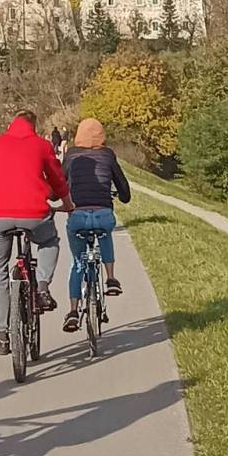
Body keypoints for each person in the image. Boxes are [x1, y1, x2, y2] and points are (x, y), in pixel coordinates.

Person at [0, 111, 74, 354]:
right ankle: (41, 287)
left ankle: (2, 335)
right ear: (34, 126)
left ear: (12, 124)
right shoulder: (42, 146)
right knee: (49, 241)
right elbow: (57, 179)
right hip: (34, 215)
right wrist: (67, 203)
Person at [61, 118, 131, 332]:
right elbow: (123, 188)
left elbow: (59, 184)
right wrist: (122, 196)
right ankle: (111, 278)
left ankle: (73, 312)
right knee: (105, 233)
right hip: (103, 214)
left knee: (78, 263)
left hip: (78, 216)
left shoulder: (71, 155)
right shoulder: (107, 155)